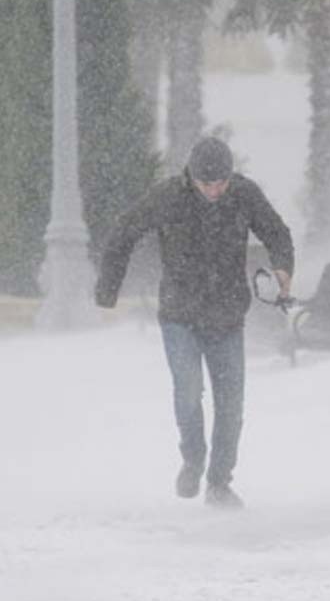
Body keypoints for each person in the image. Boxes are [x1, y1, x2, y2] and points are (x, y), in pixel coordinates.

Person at [95, 136, 294, 509]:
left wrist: (283, 266)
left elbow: (276, 232)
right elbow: (124, 232)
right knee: (188, 391)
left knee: (230, 403)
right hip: (179, 315)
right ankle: (193, 458)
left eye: (221, 183)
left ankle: (219, 483)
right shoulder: (169, 196)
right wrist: (108, 290)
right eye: (207, 184)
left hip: (227, 315)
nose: (215, 191)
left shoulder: (244, 194)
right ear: (191, 177)